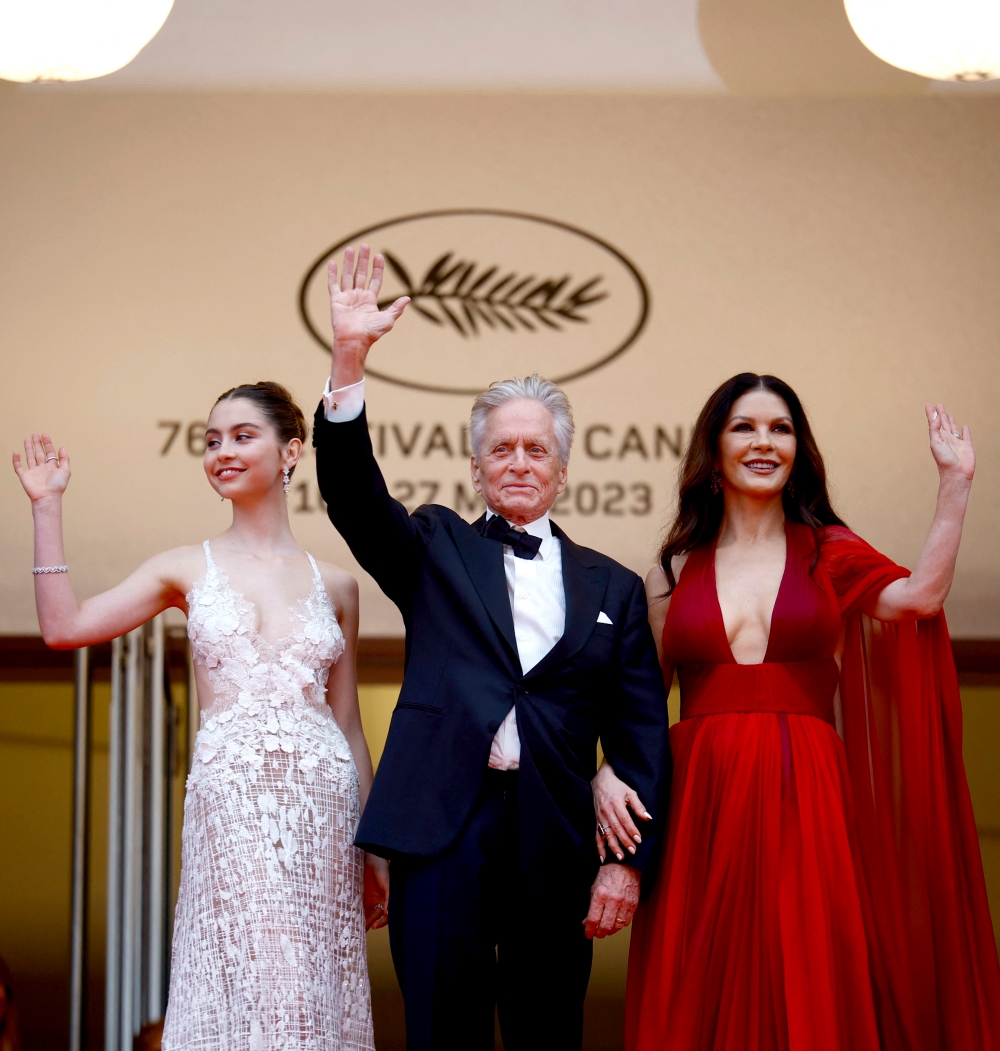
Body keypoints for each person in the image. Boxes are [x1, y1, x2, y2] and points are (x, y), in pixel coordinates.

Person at [311, 244, 672, 1051]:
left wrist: (626, 863)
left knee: (550, 1034)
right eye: (501, 449)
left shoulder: (614, 588)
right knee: (444, 1033)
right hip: (442, 827)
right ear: (476, 469)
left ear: (563, 470)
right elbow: (354, 497)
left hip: (557, 836)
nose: (518, 462)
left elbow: (643, 734)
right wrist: (349, 358)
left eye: (535, 449)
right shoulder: (435, 545)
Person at [592, 373, 1000, 1050]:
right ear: (713, 453)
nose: (764, 441)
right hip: (702, 802)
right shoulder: (670, 573)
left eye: (780, 428)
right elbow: (640, 707)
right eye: (744, 427)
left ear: (797, 450)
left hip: (807, 792)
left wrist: (955, 484)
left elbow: (920, 598)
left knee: (809, 970)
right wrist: (609, 769)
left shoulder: (831, 551)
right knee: (700, 981)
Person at [12, 382, 382, 1051]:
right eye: (212, 441)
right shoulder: (185, 567)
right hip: (232, 806)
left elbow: (349, 723)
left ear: (291, 451)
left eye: (242, 436)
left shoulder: (339, 584)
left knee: (310, 994)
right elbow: (64, 628)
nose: (222, 452)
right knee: (243, 981)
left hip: (324, 813)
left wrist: (375, 846)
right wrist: (47, 508)